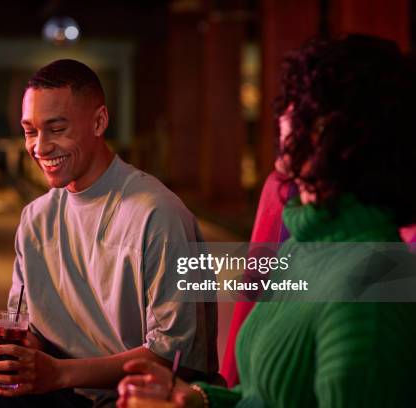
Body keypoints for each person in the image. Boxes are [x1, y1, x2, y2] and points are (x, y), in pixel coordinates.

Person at [117, 35, 416, 407]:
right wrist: (195, 399)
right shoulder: (303, 245)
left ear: (346, 133)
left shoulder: (369, 290)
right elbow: (263, 396)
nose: (284, 116)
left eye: (303, 105)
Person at [0, 59, 220, 408]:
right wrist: (13, 350)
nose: (40, 148)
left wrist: (59, 373)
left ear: (100, 121)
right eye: (30, 131)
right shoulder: (36, 218)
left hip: (141, 398)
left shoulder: (159, 215)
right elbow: (32, 335)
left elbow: (174, 359)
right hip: (64, 392)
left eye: (57, 129)